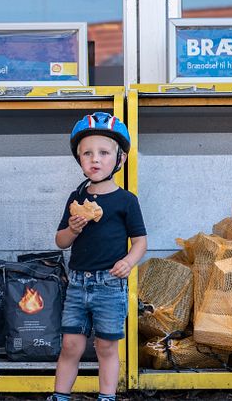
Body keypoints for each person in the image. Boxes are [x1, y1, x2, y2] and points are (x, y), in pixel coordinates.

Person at [49, 112, 147, 401]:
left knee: (106, 347)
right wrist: (73, 228)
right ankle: (60, 396)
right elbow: (60, 241)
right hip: (77, 284)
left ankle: (107, 397)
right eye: (87, 153)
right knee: (70, 345)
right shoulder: (76, 198)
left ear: (120, 159)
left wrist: (129, 261)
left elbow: (140, 241)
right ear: (79, 159)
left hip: (110, 285)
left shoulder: (126, 200)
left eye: (104, 153)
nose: (95, 159)